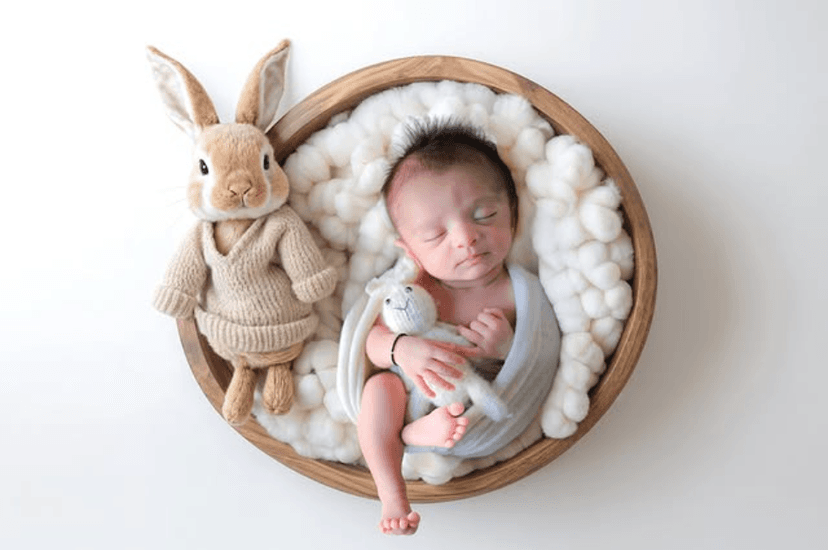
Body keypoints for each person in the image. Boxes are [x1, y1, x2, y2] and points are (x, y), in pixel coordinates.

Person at [357, 120, 554, 535]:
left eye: (484, 214)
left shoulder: (518, 294)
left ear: (513, 212)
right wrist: (400, 349)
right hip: (407, 391)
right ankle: (391, 492)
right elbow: (370, 343)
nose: (466, 237)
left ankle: (414, 434)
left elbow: (535, 354)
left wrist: (504, 348)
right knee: (379, 390)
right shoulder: (413, 288)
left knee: (460, 411)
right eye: (434, 234)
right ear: (409, 250)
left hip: (475, 403)